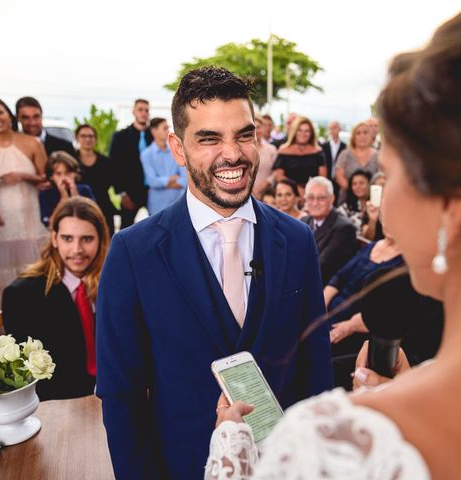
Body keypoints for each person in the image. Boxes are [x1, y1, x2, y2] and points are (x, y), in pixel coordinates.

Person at [204, 1, 461, 478]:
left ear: (453, 207)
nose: (387, 208)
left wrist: (231, 451)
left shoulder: (338, 447)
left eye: (388, 176)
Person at [96, 66, 332, 480]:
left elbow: (316, 369)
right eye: (209, 138)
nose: (233, 154)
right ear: (177, 147)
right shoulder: (133, 252)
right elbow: (122, 395)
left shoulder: (296, 240)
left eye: (244, 134)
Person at [2, 197, 110, 401]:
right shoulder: (22, 295)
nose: (77, 250)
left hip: (114, 392)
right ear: (54, 239)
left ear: (101, 239)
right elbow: (30, 375)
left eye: (87, 239)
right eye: (67, 238)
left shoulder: (114, 282)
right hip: (58, 401)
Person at [0, 97, 48, 313]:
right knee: (6, 278)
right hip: (2, 222)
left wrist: (23, 176)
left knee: (35, 270)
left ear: (9, 114)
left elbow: (47, 179)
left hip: (32, 219)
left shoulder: (31, 143)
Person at [325, 226, 405, 389]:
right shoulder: (372, 246)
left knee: (320, 358)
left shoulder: (408, 260)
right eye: (384, 214)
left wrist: (349, 326)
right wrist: (320, 307)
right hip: (331, 314)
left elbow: (389, 312)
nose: (387, 221)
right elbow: (338, 279)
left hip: (358, 329)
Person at [301, 177, 358, 285]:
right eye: (311, 198)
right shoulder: (303, 222)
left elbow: (321, 266)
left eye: (321, 198)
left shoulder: (344, 228)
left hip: (325, 286)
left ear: (332, 199)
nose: (315, 203)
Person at [109, 99, 152, 229]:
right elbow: (114, 165)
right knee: (126, 229)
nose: (144, 113)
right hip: (130, 191)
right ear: (133, 111)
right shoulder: (120, 136)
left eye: (146, 110)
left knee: (158, 227)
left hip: (153, 190)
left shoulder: (155, 136)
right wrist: (121, 193)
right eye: (140, 109)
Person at [75, 124, 118, 233]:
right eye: (83, 136)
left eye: (91, 136)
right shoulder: (72, 161)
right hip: (79, 208)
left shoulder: (105, 161)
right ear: (77, 138)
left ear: (95, 139)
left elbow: (113, 182)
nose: (87, 139)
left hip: (103, 208)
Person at [139, 117, 187, 215]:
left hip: (178, 205)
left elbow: (185, 180)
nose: (168, 131)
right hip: (157, 208)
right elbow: (152, 182)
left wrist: (162, 183)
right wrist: (173, 178)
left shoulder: (176, 151)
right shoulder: (146, 154)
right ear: (154, 131)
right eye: (164, 128)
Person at [39, 151, 95, 226]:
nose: (64, 178)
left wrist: (75, 195)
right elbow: (50, 223)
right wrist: (64, 198)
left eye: (68, 173)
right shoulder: (46, 194)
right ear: (51, 177)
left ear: (75, 173)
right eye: (58, 174)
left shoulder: (85, 190)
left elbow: (92, 217)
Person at [272, 116, 327, 190]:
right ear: (294, 131)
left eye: (307, 131)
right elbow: (278, 176)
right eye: (299, 130)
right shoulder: (284, 150)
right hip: (289, 194)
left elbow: (322, 178)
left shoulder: (318, 151)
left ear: (311, 133)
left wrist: (308, 190)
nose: (303, 134)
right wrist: (297, 189)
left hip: (312, 194)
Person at [335, 121, 379, 204]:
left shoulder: (378, 156)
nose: (362, 136)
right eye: (358, 133)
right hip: (347, 200)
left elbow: (381, 178)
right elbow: (339, 176)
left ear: (371, 136)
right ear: (353, 137)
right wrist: (356, 191)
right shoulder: (345, 154)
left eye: (365, 132)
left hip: (372, 201)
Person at [338, 169, 371, 236]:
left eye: (361, 183)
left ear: (369, 184)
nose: (358, 186)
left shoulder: (376, 205)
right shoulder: (346, 207)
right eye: (354, 184)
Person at [252, 114, 277, 199]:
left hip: (267, 194)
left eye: (258, 127)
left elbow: (276, 172)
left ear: (262, 128)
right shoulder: (243, 150)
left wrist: (267, 183)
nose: (255, 131)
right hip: (248, 193)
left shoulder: (271, 149)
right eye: (253, 128)